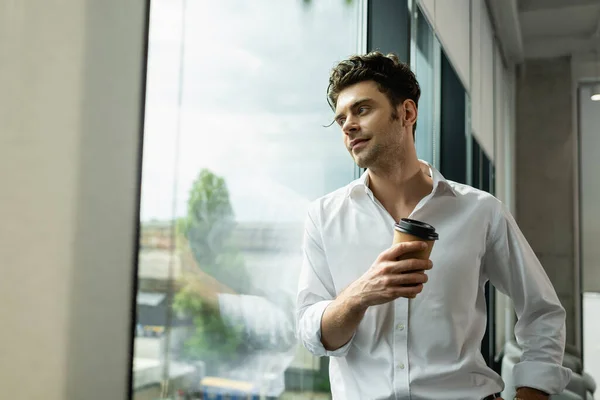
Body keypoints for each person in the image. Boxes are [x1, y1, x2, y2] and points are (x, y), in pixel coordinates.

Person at [296, 52, 572, 400]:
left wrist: (531, 394)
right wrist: (361, 294)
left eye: (362, 109)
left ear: (406, 113)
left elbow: (542, 311)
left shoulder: (480, 211)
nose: (348, 125)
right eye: (341, 119)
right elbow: (313, 336)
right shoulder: (323, 217)